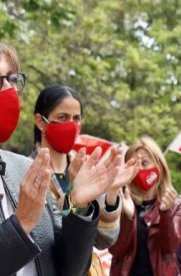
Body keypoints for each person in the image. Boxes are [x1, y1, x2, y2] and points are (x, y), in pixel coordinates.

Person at [0, 35, 122, 275]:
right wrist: (20, 226)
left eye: (12, 79)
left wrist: (79, 208)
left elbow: (69, 269)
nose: (9, 91)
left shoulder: (26, 168)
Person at [33, 85, 138, 275]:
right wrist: (73, 198)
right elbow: (50, 238)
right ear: (41, 122)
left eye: (77, 119)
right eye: (63, 118)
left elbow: (103, 239)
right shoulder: (27, 171)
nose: (71, 125)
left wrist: (112, 191)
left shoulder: (86, 168)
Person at [109, 136, 181, 276]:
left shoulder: (176, 204)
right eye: (133, 165)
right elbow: (115, 250)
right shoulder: (120, 199)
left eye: (144, 163)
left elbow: (170, 248)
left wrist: (165, 213)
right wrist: (128, 216)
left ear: (159, 166)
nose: (139, 169)